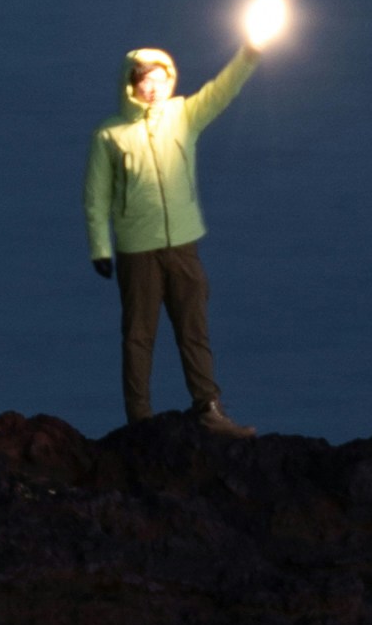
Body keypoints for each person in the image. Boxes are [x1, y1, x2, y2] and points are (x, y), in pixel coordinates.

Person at [85, 24, 266, 424]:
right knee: (138, 337)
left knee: (193, 329)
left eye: (158, 77)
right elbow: (96, 196)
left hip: (183, 244)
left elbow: (222, 89)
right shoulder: (109, 134)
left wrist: (251, 51)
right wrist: (100, 247)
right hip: (137, 249)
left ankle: (208, 407)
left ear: (169, 78)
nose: (151, 86)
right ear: (131, 84)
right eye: (143, 79)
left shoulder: (184, 115)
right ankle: (139, 419)